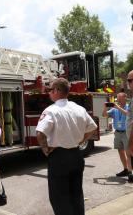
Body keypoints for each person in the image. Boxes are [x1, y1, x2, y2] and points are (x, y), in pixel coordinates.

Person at [35, 78, 97, 215]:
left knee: (59, 197)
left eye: (51, 90)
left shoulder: (51, 110)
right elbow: (93, 127)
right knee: (76, 194)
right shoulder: (79, 108)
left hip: (59, 157)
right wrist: (81, 140)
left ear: (57, 91)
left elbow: (40, 133)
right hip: (76, 155)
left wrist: (46, 150)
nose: (49, 93)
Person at [102, 92, 132, 181]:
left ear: (124, 98)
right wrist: (105, 107)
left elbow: (128, 114)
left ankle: (130, 172)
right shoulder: (114, 109)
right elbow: (104, 115)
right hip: (118, 133)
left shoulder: (128, 107)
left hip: (126, 132)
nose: (117, 99)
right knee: (120, 151)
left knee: (129, 153)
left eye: (119, 98)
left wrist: (117, 107)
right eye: (117, 98)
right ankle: (125, 169)